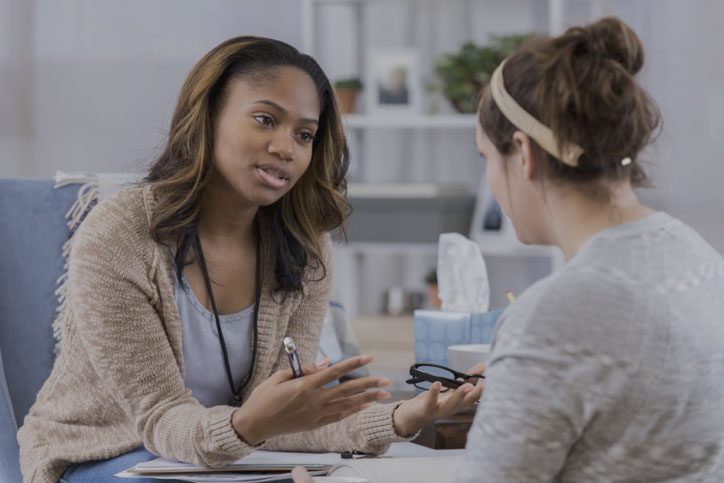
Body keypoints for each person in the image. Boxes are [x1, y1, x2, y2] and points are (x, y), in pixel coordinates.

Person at [17, 37, 482, 483]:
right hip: (104, 453)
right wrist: (247, 427)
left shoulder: (303, 248)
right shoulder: (120, 235)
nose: (286, 148)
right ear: (209, 116)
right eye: (264, 119)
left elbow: (284, 417)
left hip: (229, 457)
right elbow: (161, 419)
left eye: (304, 135)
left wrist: (402, 417)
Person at [293, 16, 724, 483]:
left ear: (523, 153)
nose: (491, 183)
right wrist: (528, 385)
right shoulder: (698, 257)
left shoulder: (557, 312)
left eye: (485, 158)